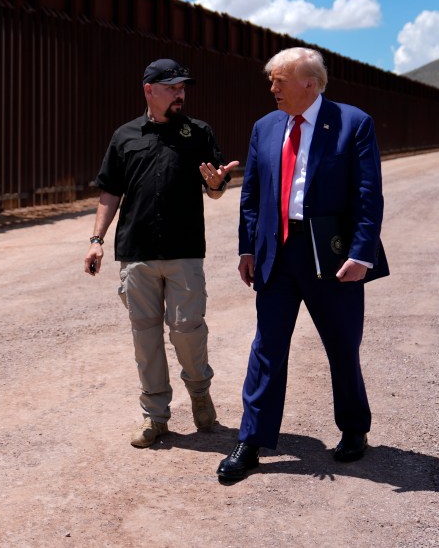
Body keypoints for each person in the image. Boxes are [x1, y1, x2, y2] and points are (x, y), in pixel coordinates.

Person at [217, 47, 386, 482]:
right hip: (278, 253)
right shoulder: (265, 127)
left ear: (309, 84)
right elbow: (251, 195)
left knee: (342, 346)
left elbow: (368, 197)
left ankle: (353, 430)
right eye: (271, 80)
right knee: (267, 348)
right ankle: (251, 440)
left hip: (330, 255)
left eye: (279, 80)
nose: (271, 88)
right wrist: (247, 249)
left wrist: (361, 253)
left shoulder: (353, 123)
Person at [85, 58, 239, 448]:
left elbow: (215, 190)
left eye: (183, 88)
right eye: (172, 87)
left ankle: (200, 393)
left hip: (185, 251)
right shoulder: (125, 137)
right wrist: (97, 240)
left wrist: (218, 185)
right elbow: (110, 192)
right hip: (136, 253)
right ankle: (155, 417)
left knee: (188, 331)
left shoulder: (198, 133)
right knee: (146, 338)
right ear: (149, 89)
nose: (180, 94)